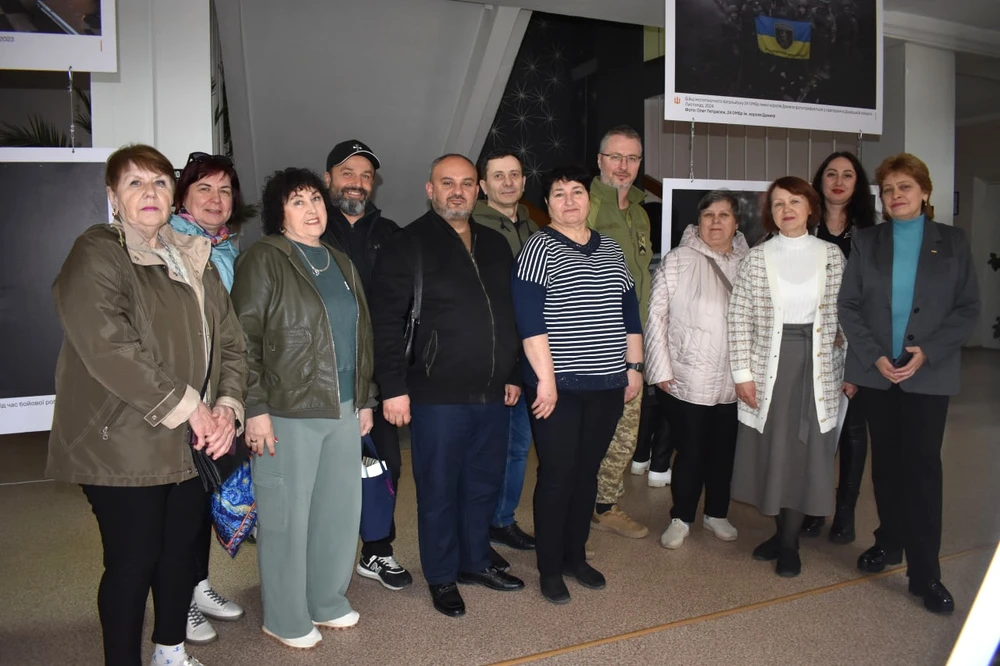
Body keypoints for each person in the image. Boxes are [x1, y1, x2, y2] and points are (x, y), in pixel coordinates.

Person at [47, 144, 247, 666]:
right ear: (113, 197)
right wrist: (193, 407)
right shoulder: (98, 252)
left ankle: (170, 651)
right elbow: (109, 347)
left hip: (189, 441)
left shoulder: (192, 254)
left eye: (159, 181)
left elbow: (231, 342)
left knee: (180, 555)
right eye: (134, 183)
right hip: (122, 442)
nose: (149, 192)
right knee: (134, 562)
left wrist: (227, 407)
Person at [370, 154, 525, 618]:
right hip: (435, 395)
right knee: (438, 490)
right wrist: (393, 387)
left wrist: (514, 373)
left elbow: (511, 315)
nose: (457, 191)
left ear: (478, 189)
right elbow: (385, 322)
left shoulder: (496, 244)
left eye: (466, 183)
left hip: (493, 393)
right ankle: (441, 575)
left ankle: (474, 561)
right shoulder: (407, 244)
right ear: (430, 189)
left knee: (482, 485)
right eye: (447, 183)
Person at [230, 167, 376, 648]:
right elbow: (242, 338)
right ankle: (286, 616)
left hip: (344, 407)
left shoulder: (339, 260)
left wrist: (366, 398)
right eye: (297, 201)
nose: (311, 209)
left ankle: (326, 600)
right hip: (287, 410)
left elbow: (361, 334)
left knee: (338, 511)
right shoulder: (265, 258)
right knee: (286, 518)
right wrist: (254, 407)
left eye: (315, 198)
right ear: (280, 213)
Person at [839, 153, 980, 614]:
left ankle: (926, 573)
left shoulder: (953, 242)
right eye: (888, 189)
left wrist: (928, 351)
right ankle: (889, 542)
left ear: (924, 191)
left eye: (905, 187)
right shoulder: (867, 241)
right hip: (878, 372)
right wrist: (875, 356)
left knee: (921, 471)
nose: (896, 196)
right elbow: (849, 305)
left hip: (928, 374)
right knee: (885, 467)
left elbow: (967, 308)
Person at [513, 165, 643, 604]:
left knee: (587, 472)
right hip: (559, 388)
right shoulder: (538, 248)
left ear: (589, 198)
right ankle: (550, 567)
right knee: (557, 474)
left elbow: (629, 309)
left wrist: (634, 367)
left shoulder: (610, 248)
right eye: (558, 194)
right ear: (546, 204)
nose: (569, 200)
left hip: (607, 383)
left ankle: (575, 555)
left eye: (576, 192)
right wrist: (545, 382)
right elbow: (530, 322)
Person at [728, 176, 848, 578]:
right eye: (778, 204)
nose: (787, 210)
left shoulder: (831, 255)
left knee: (804, 454)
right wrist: (742, 374)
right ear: (771, 213)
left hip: (817, 369)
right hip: (769, 368)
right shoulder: (757, 258)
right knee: (774, 453)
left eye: (795, 201)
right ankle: (783, 537)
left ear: (810, 207)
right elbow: (739, 318)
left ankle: (789, 543)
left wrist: (846, 356)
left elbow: (846, 313)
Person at [319, 139, 412, 591]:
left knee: (384, 466)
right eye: (347, 173)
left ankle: (376, 550)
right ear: (328, 179)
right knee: (325, 473)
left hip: (377, 376)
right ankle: (320, 559)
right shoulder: (311, 229)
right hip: (321, 378)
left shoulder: (393, 234)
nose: (356, 182)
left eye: (365, 175)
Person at [169, 151, 247, 644]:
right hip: (181, 401)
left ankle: (196, 585)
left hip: (219, 396)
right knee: (177, 511)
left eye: (224, 190)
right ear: (184, 197)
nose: (216, 199)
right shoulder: (172, 244)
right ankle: (177, 604)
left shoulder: (226, 248)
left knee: (201, 499)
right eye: (204, 189)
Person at [647, 191, 750, 550]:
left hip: (735, 380)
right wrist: (660, 369)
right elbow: (656, 316)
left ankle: (716, 513)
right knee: (691, 450)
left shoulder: (750, 263)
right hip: (687, 376)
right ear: (698, 221)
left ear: (736, 223)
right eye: (709, 215)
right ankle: (682, 516)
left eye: (724, 215)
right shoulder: (678, 260)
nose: (716, 222)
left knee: (724, 451)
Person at [799, 151, 876, 543]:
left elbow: (874, 299)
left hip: (855, 346)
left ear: (857, 184)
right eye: (831, 174)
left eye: (848, 175)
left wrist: (854, 348)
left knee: (852, 432)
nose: (839, 181)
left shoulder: (871, 234)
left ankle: (845, 512)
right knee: (814, 431)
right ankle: (814, 507)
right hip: (809, 347)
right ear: (820, 181)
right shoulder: (804, 228)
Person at [588, 125, 654, 540]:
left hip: (633, 344)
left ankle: (604, 505)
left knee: (624, 434)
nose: (623, 166)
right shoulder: (586, 206)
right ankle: (580, 509)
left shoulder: (641, 213)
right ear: (600, 160)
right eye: (615, 156)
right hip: (594, 344)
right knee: (588, 434)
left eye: (632, 158)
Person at [474, 149, 540, 560]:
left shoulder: (535, 229)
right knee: (487, 449)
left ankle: (502, 520)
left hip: (531, 355)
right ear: (483, 185)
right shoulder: (471, 227)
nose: (508, 182)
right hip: (493, 357)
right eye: (498, 176)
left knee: (518, 447)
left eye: (514, 174)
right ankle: (477, 528)